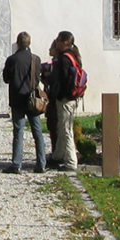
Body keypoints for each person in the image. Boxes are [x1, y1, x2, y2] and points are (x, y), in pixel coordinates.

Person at [1, 31, 47, 173]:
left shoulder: (12, 60)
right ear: (29, 43)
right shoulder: (36, 59)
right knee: (37, 131)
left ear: (18, 43)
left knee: (18, 131)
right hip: (32, 99)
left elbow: (6, 79)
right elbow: (38, 79)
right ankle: (41, 163)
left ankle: (16, 164)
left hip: (17, 99)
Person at [46, 30, 82, 170]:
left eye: (59, 40)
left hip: (65, 99)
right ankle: (58, 155)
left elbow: (62, 80)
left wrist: (58, 95)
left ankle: (71, 162)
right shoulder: (73, 56)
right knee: (62, 128)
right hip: (72, 98)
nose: (57, 42)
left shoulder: (64, 59)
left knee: (66, 130)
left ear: (65, 42)